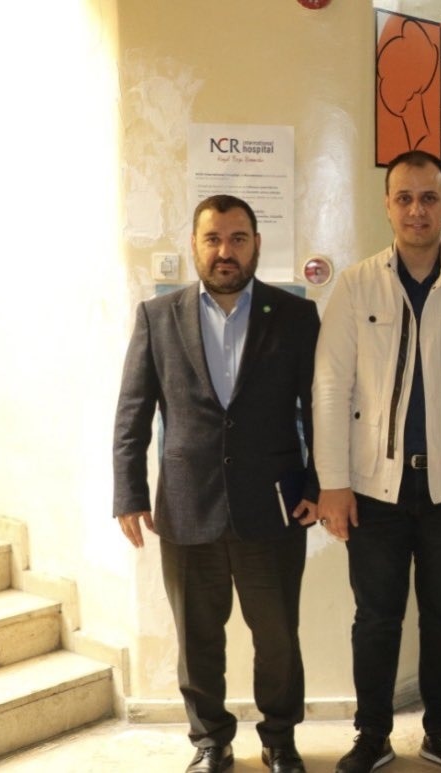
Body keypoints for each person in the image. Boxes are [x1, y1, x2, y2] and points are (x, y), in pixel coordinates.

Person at [312, 150, 441, 773]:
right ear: (388, 206)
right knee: (375, 619)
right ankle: (372, 735)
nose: (417, 210)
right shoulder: (357, 286)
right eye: (404, 198)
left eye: (429, 198)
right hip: (374, 490)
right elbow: (330, 388)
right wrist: (333, 484)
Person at [113, 194, 320, 773]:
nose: (225, 251)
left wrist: (319, 483)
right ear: (195, 245)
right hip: (186, 505)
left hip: (274, 507)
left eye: (237, 239)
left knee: (277, 637)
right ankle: (210, 740)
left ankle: (280, 738)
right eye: (213, 239)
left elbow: (319, 407)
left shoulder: (295, 316)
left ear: (256, 245)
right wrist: (129, 492)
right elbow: (133, 411)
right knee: (197, 637)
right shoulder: (158, 317)